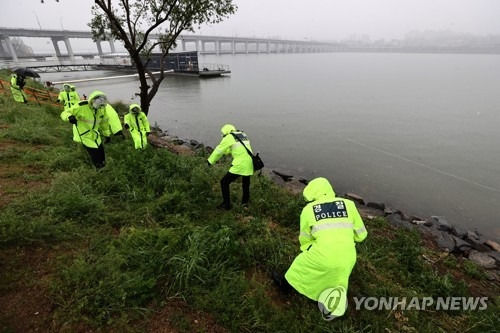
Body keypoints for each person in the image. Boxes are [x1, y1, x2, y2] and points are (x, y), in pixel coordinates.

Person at [273, 177, 367, 317]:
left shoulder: (308, 210)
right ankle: (330, 306)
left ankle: (284, 285)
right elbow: (361, 235)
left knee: (300, 266)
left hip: (323, 254)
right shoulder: (349, 205)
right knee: (337, 280)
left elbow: (305, 238)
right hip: (348, 256)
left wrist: (308, 249)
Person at [60, 91, 113, 169]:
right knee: (95, 154)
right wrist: (69, 117)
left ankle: (103, 167)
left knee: (101, 153)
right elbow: (64, 113)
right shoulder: (81, 106)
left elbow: (104, 122)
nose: (99, 108)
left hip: (95, 134)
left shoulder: (102, 108)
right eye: (98, 106)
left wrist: (107, 135)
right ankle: (99, 170)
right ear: (92, 101)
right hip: (84, 134)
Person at [207, 124, 253, 210]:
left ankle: (226, 204)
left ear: (226, 132)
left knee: (224, 182)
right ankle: (245, 204)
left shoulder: (228, 137)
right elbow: (236, 148)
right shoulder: (243, 134)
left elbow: (218, 151)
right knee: (246, 184)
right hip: (250, 163)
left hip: (240, 164)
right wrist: (227, 151)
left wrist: (209, 162)